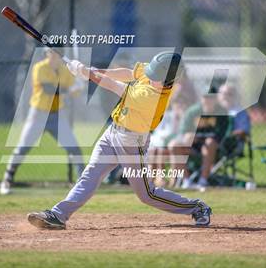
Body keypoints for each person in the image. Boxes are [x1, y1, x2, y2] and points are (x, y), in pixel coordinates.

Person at [27, 51, 212, 229]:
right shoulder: (155, 72)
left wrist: (88, 74)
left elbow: (115, 86)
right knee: (90, 174)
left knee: (146, 194)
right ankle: (58, 214)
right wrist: (93, 71)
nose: (150, 75)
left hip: (131, 142)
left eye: (155, 75)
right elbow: (128, 73)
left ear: (168, 80)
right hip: (112, 133)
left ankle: (197, 207)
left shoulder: (152, 97)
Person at [0, 49, 85, 195]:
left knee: (74, 149)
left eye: (55, 53)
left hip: (56, 115)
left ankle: (83, 184)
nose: (51, 56)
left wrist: (80, 84)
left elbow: (75, 91)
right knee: (22, 148)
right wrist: (70, 89)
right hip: (38, 114)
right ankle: (7, 180)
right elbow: (49, 89)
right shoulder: (39, 67)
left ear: (60, 55)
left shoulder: (65, 71)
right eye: (49, 53)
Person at [168, 87, 229, 190]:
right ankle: (187, 181)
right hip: (192, 147)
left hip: (213, 148)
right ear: (201, 98)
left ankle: (203, 181)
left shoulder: (221, 112)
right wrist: (187, 136)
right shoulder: (193, 112)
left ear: (215, 99)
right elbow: (183, 132)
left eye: (211, 98)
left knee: (209, 143)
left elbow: (221, 135)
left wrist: (200, 138)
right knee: (173, 145)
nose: (207, 100)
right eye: (205, 97)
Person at [148, 96, 189, 187]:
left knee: (161, 150)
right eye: (176, 104)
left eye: (181, 104)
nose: (179, 106)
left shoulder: (187, 117)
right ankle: (154, 179)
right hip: (163, 145)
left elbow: (182, 135)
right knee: (155, 150)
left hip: (181, 147)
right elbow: (159, 133)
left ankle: (168, 179)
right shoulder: (167, 116)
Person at [217, 84, 251, 155]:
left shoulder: (240, 112)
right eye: (223, 94)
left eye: (229, 94)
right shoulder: (213, 110)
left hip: (231, 144)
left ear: (235, 96)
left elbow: (243, 131)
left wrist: (227, 136)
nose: (225, 97)